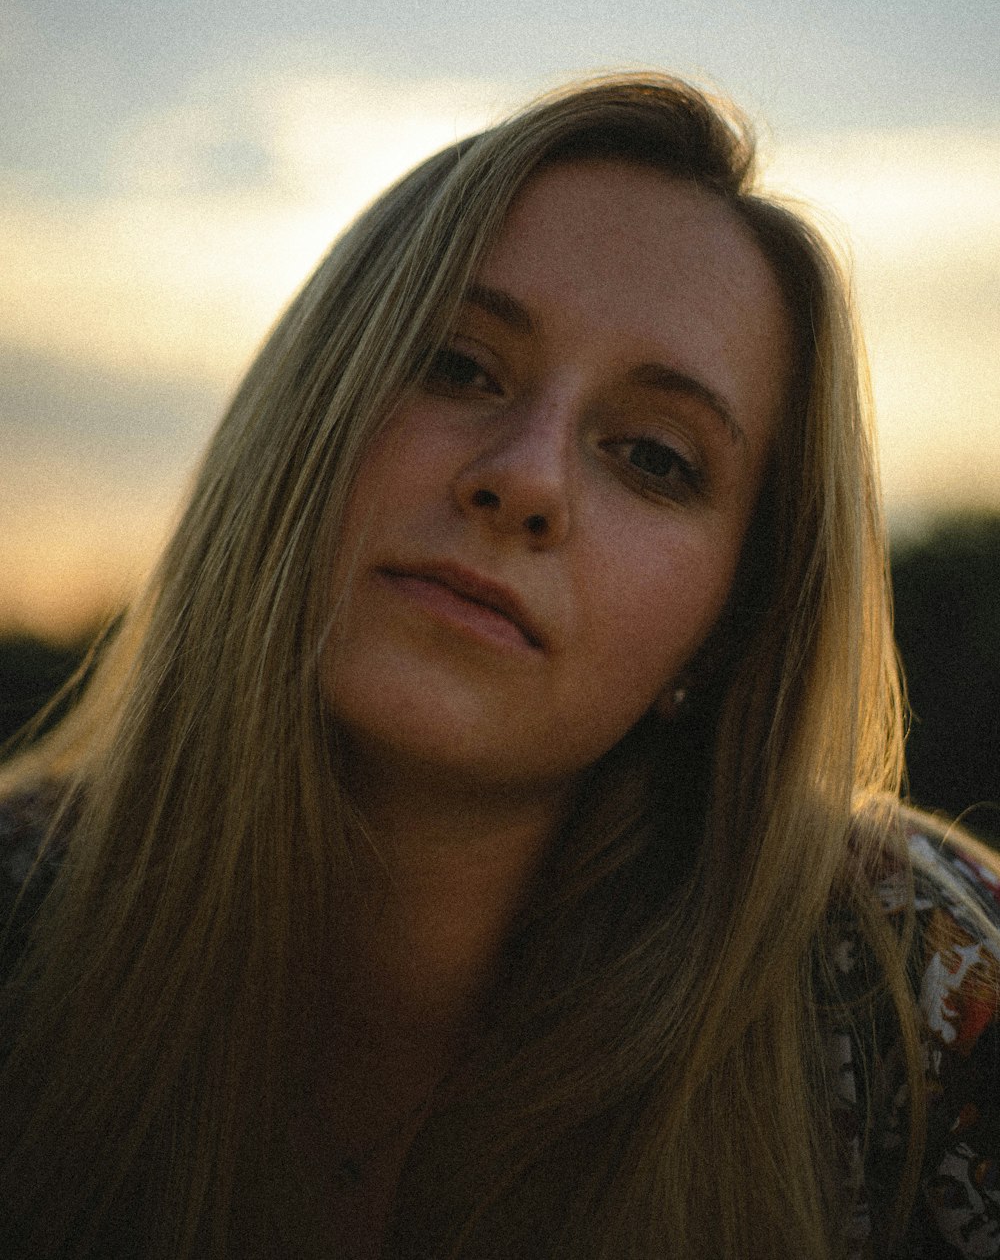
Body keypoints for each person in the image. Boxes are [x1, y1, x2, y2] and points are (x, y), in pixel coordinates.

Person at [0, 73, 997, 1260]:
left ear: (730, 625)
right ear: (303, 421)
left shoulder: (925, 992)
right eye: (459, 367)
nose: (522, 480)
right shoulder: (21, 930)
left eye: (653, 457)